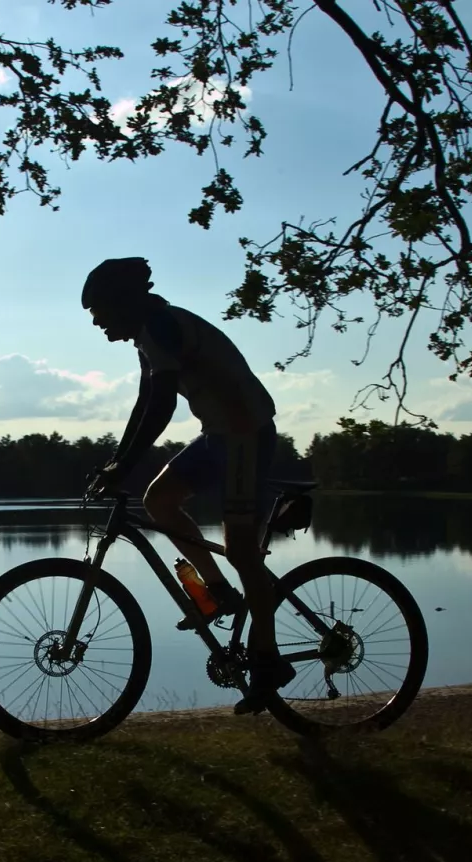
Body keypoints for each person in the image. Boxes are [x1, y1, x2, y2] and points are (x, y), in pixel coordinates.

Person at [82, 256, 294, 713]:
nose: (96, 322)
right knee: (158, 499)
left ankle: (268, 660)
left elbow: (160, 408)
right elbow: (145, 404)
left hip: (244, 433)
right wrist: (117, 462)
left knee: (241, 551)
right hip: (220, 434)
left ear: (121, 303)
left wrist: (123, 466)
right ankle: (218, 593)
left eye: (98, 311)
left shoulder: (160, 327)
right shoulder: (148, 335)